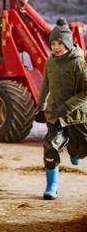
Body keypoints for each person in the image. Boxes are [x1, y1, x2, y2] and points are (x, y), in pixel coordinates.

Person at [35, 18, 87, 200]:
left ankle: (76, 152)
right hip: (55, 114)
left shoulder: (78, 63)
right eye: (53, 43)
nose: (56, 47)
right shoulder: (50, 62)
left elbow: (85, 92)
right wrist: (40, 106)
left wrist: (68, 106)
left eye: (59, 43)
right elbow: (45, 86)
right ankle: (52, 186)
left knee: (79, 149)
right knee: (50, 148)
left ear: (68, 42)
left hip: (77, 116)